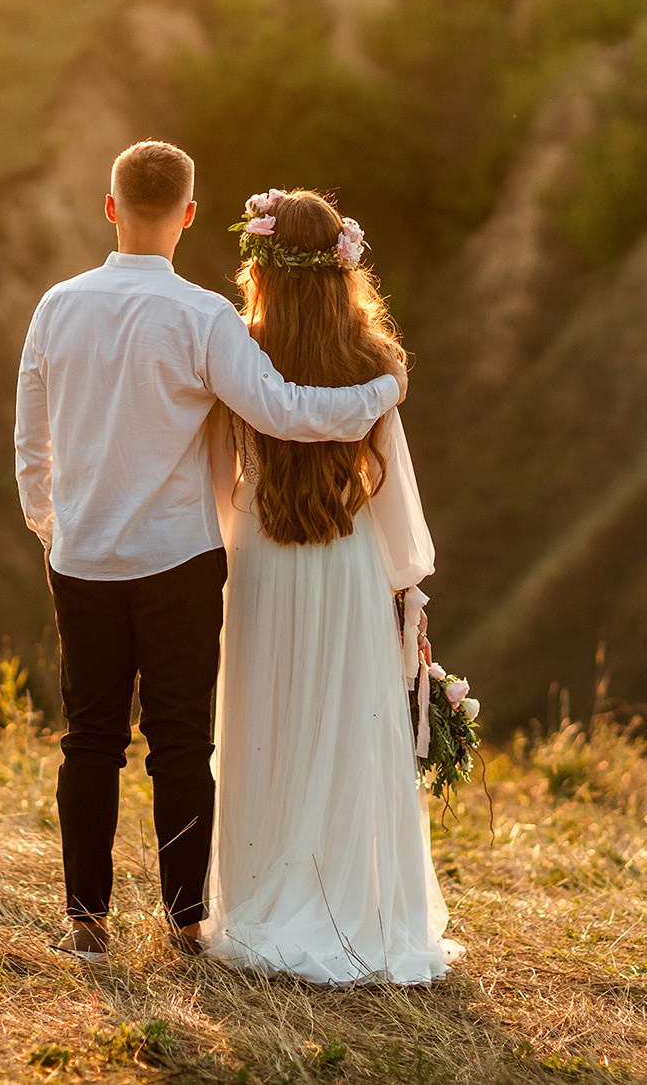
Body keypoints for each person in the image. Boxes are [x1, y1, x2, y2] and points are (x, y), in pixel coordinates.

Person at [14, 142, 407, 963]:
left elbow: (30, 444)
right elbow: (284, 411)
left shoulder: (55, 306)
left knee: (88, 739)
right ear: (190, 215)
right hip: (180, 561)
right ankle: (186, 921)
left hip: (82, 561)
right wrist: (382, 391)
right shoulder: (202, 317)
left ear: (111, 206)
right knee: (181, 742)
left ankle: (86, 923)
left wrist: (56, 528)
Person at [201, 188, 460, 985]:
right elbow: (393, 497)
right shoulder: (371, 361)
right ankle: (354, 904)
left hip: (264, 564)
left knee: (266, 726)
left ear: (262, 267)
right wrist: (404, 592)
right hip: (346, 563)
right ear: (345, 267)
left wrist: (225, 545)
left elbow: (216, 481)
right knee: (349, 729)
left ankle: (258, 896)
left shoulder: (240, 349)